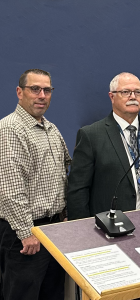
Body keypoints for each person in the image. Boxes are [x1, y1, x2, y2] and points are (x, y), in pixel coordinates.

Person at [0, 69, 70, 300]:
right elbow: (10, 189)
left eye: (47, 90)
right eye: (35, 89)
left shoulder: (51, 129)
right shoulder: (10, 129)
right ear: (20, 92)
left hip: (53, 231)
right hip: (25, 236)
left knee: (53, 294)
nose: (42, 95)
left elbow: (63, 173)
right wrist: (26, 232)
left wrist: (64, 214)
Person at [67, 72, 140, 220]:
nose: (133, 97)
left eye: (137, 92)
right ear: (112, 96)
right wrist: (83, 231)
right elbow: (78, 189)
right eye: (125, 92)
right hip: (112, 224)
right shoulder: (91, 135)